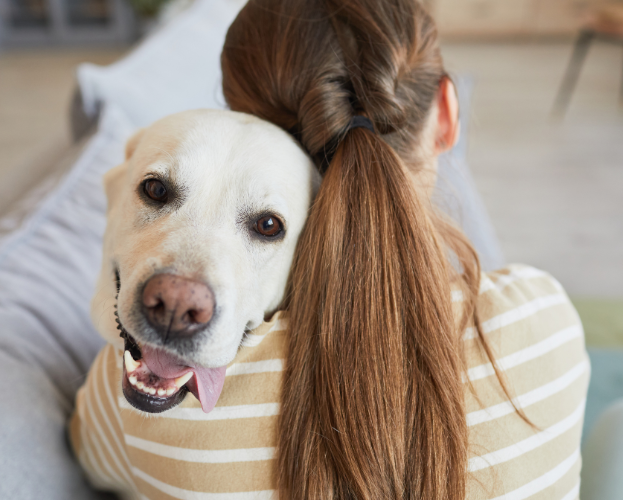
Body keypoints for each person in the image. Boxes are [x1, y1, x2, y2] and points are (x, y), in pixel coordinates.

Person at [220, 0, 589, 498]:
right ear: (448, 117)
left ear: (239, 129)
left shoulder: (171, 389)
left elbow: (91, 451)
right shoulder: (546, 320)